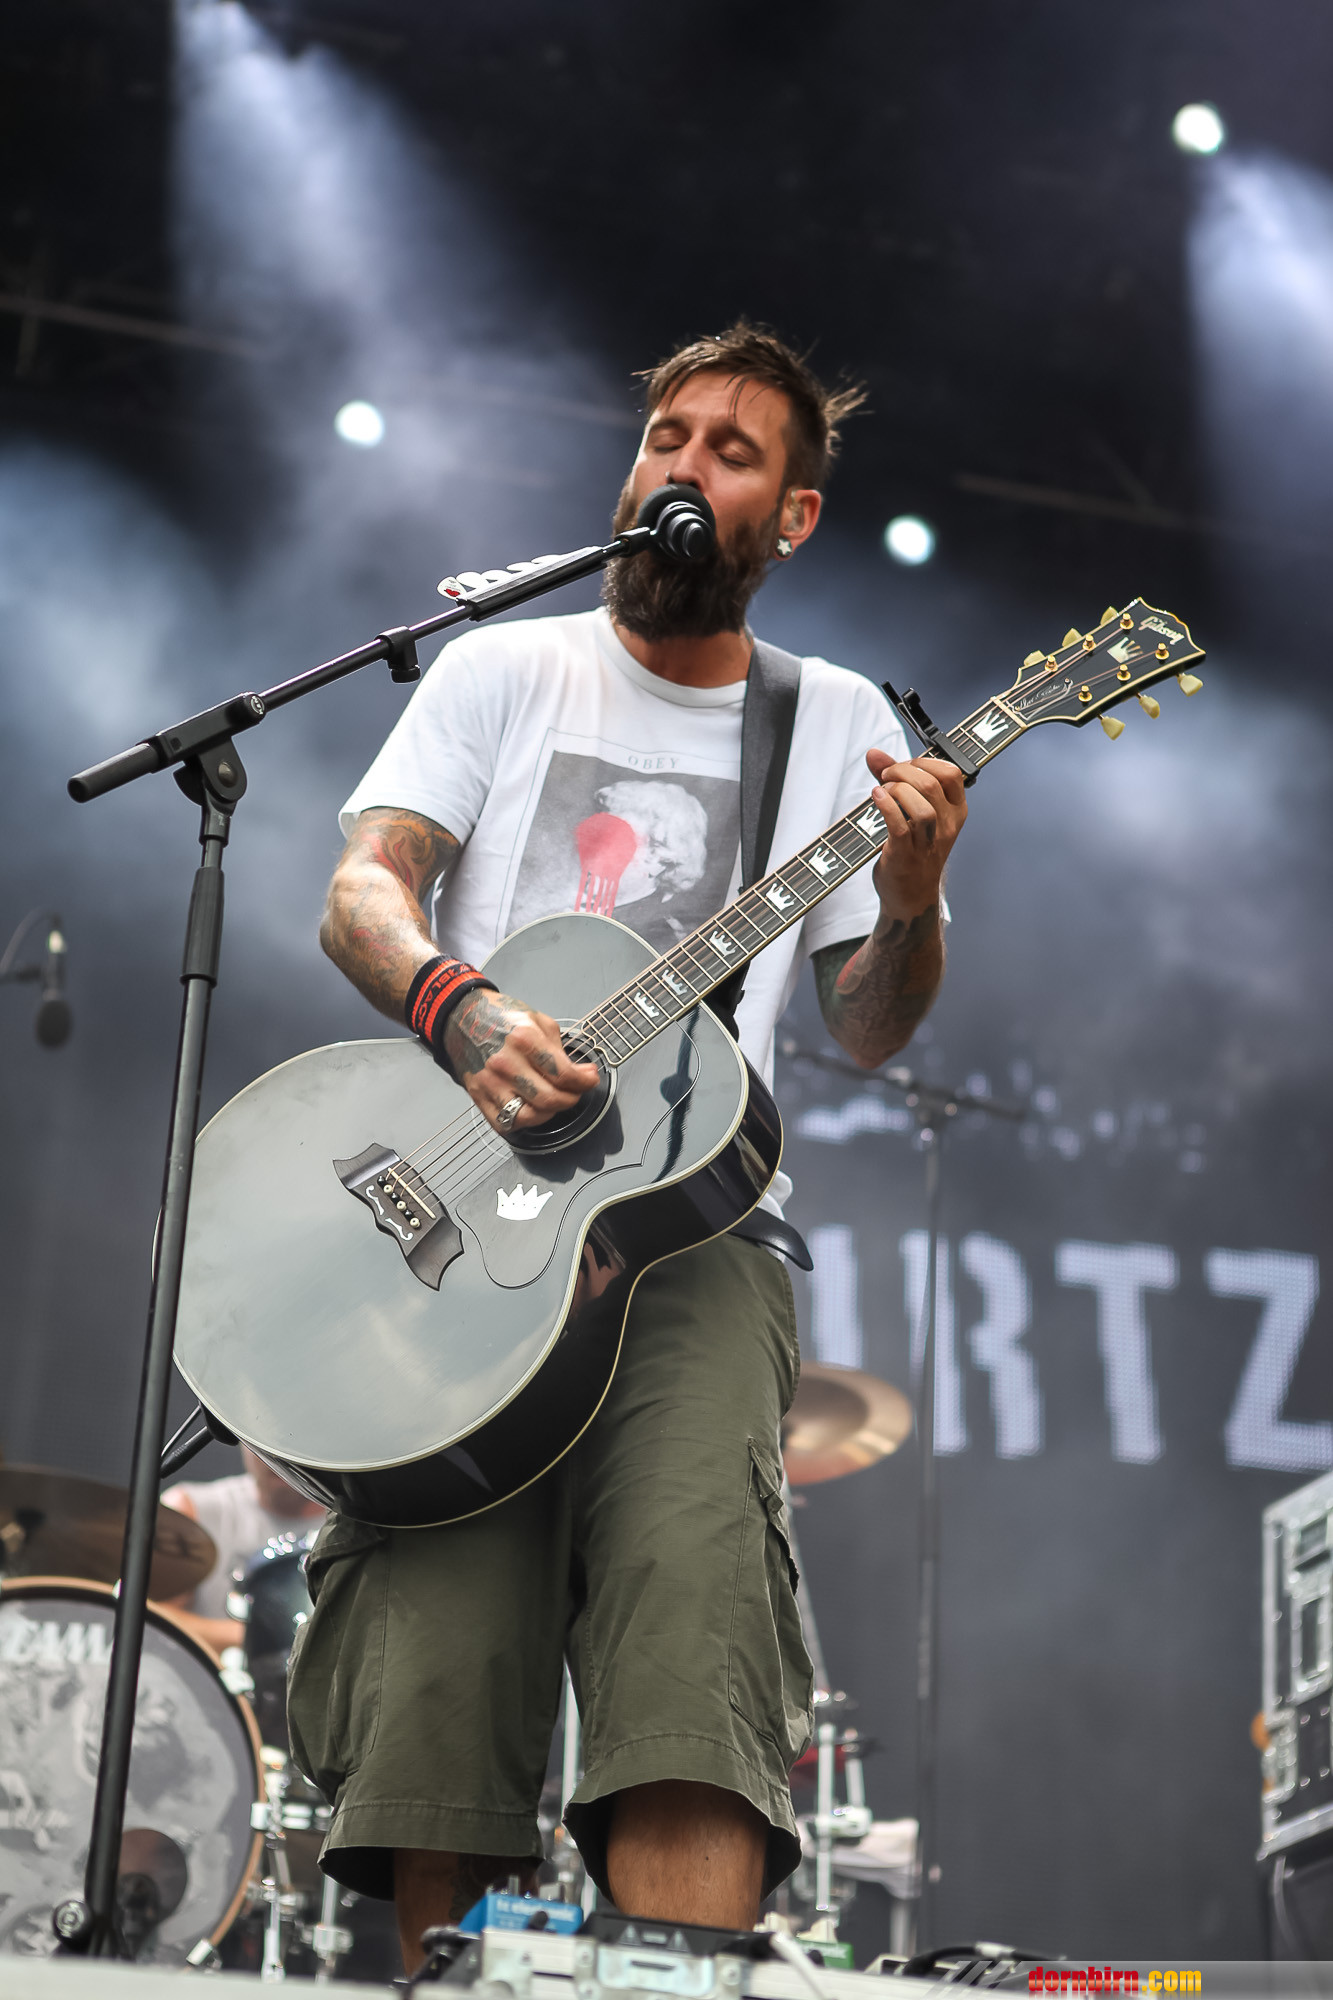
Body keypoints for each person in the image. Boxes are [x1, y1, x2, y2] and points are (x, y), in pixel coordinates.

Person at [286, 321, 968, 1973]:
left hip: (696, 1244)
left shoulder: (832, 719)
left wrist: (910, 896)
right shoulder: (500, 671)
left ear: (791, 516)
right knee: (439, 1665)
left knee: (689, 1634)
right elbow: (363, 891)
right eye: (667, 435)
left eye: (731, 451)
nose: (683, 464)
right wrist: (455, 1006)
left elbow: (870, 1026)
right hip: (467, 1233)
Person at [162, 1445, 325, 1655]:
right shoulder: (189, 1509)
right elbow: (150, 1614)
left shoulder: (360, 1523)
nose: (278, 1453)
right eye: (264, 1439)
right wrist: (264, 1637)